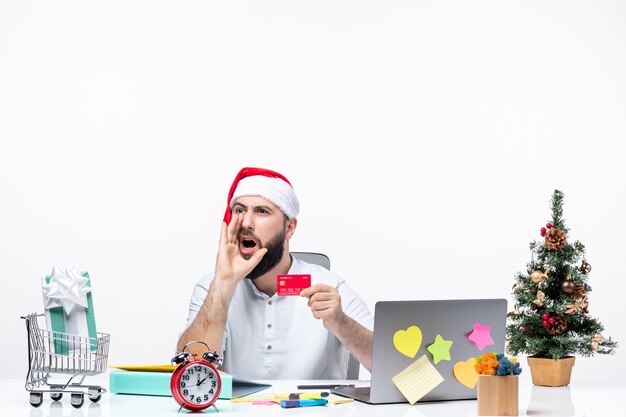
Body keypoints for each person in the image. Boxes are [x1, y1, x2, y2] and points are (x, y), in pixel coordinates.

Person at [177, 167, 373, 379]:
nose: (246, 222)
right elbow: (190, 375)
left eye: (262, 211)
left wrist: (341, 322)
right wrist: (224, 284)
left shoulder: (330, 286)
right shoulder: (211, 287)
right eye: (240, 210)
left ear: (289, 228)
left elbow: (395, 371)